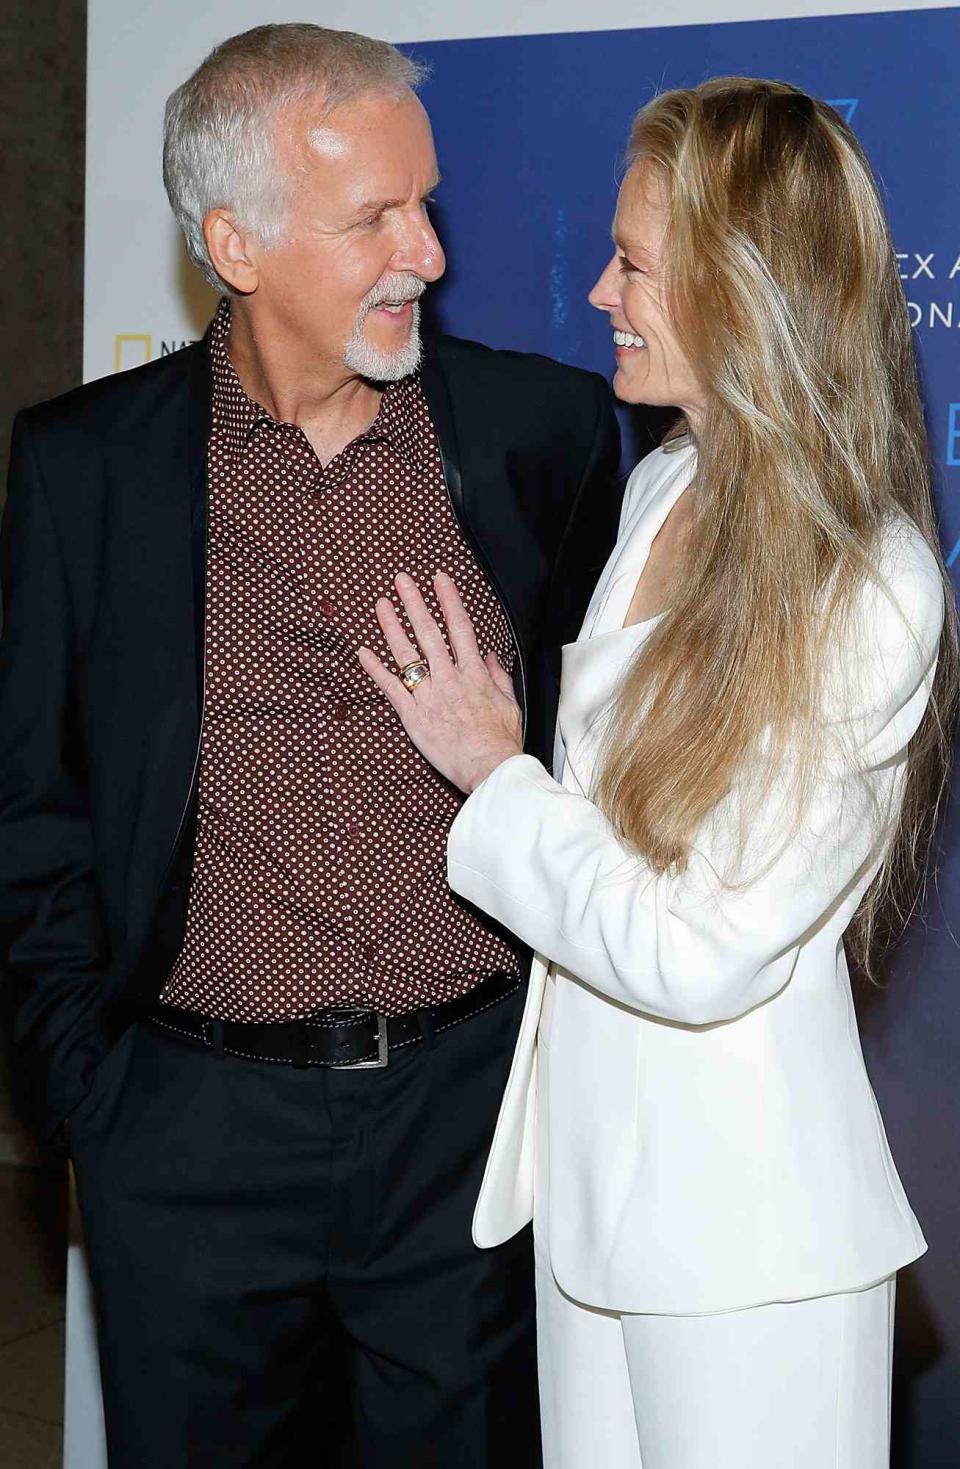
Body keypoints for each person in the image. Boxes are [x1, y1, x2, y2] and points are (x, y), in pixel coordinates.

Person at [0, 23, 621, 1467]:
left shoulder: (545, 434)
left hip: (462, 1133)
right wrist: (92, 1101)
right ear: (238, 243)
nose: (430, 252)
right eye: (374, 219)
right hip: (189, 1134)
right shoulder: (88, 470)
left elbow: (610, 769)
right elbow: (35, 805)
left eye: (428, 202)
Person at [358, 77, 958, 1467]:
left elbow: (703, 951)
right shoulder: (661, 490)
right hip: (591, 1201)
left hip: (748, 1239)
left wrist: (495, 779)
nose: (596, 295)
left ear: (751, 288)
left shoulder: (870, 586)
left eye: (635, 262)